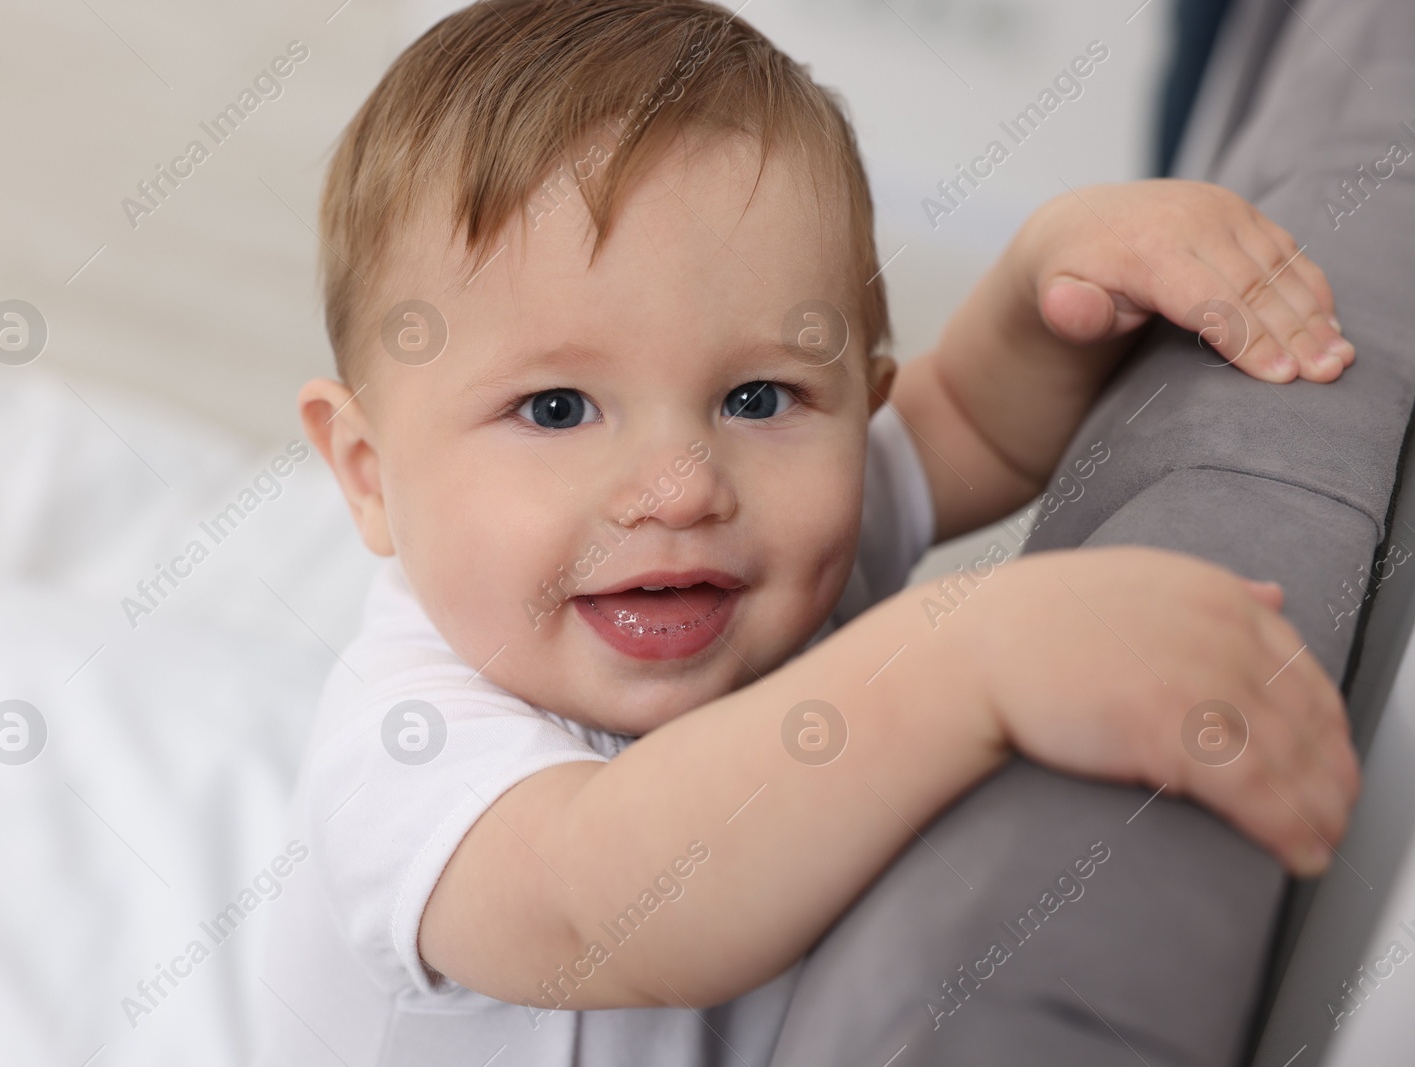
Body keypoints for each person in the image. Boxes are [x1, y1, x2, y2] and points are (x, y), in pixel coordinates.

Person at [255, 2, 1359, 1062]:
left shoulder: (766, 558)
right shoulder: (404, 754)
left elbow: (967, 416)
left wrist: (1047, 278)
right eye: (556, 409)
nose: (680, 491)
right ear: (368, 475)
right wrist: (962, 660)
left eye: (757, 397)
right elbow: (611, 895)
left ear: (858, 397)